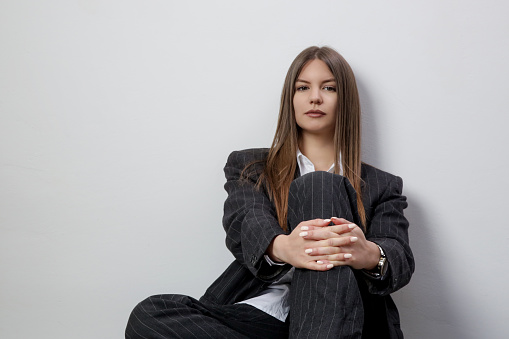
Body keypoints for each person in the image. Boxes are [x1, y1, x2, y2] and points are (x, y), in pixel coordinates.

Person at [126, 46, 414, 339]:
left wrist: (367, 254)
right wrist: (283, 247)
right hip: (257, 317)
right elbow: (246, 221)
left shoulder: (382, 185)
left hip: (343, 320)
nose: (315, 97)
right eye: (303, 88)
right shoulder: (251, 166)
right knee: (149, 316)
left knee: (319, 186)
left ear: (346, 100)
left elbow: (398, 255)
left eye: (329, 87)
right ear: (290, 98)